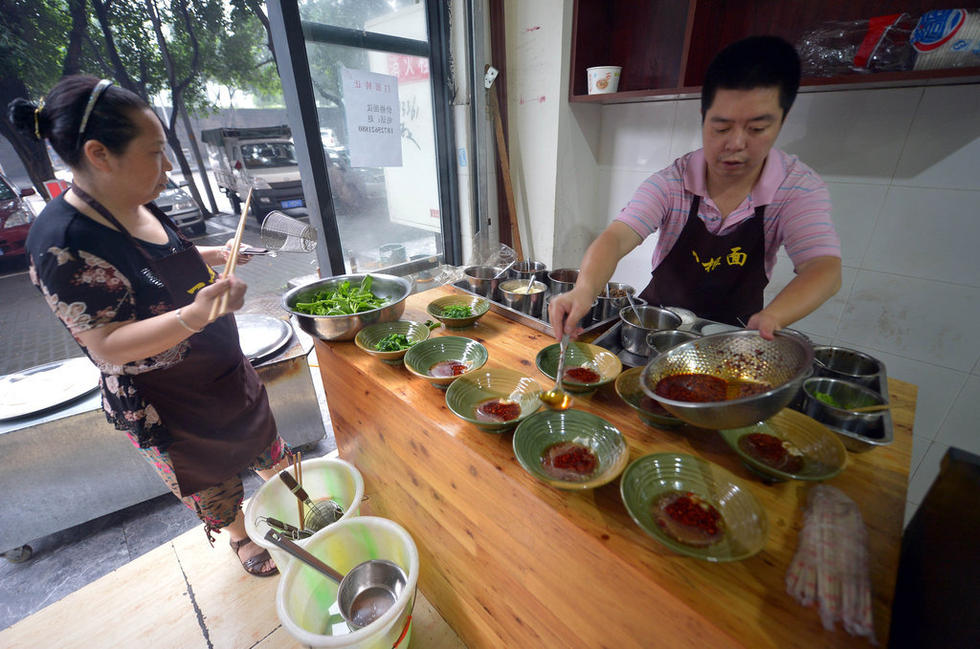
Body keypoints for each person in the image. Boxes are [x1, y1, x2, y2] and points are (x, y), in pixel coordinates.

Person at [9, 76, 289, 577]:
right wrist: (194, 315)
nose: (168, 167)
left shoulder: (135, 197)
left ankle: (293, 498)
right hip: (168, 403)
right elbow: (107, 345)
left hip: (221, 371)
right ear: (99, 154)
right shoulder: (62, 243)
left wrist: (216, 254)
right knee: (213, 484)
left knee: (264, 442)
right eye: (156, 152)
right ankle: (241, 537)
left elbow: (164, 258)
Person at [549, 36, 842, 340]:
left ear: (782, 121)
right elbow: (616, 237)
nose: (736, 144)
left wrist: (773, 316)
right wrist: (583, 291)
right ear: (703, 119)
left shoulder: (794, 187)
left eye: (757, 128)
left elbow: (824, 267)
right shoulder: (673, 182)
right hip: (655, 327)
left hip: (730, 336)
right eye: (721, 128)